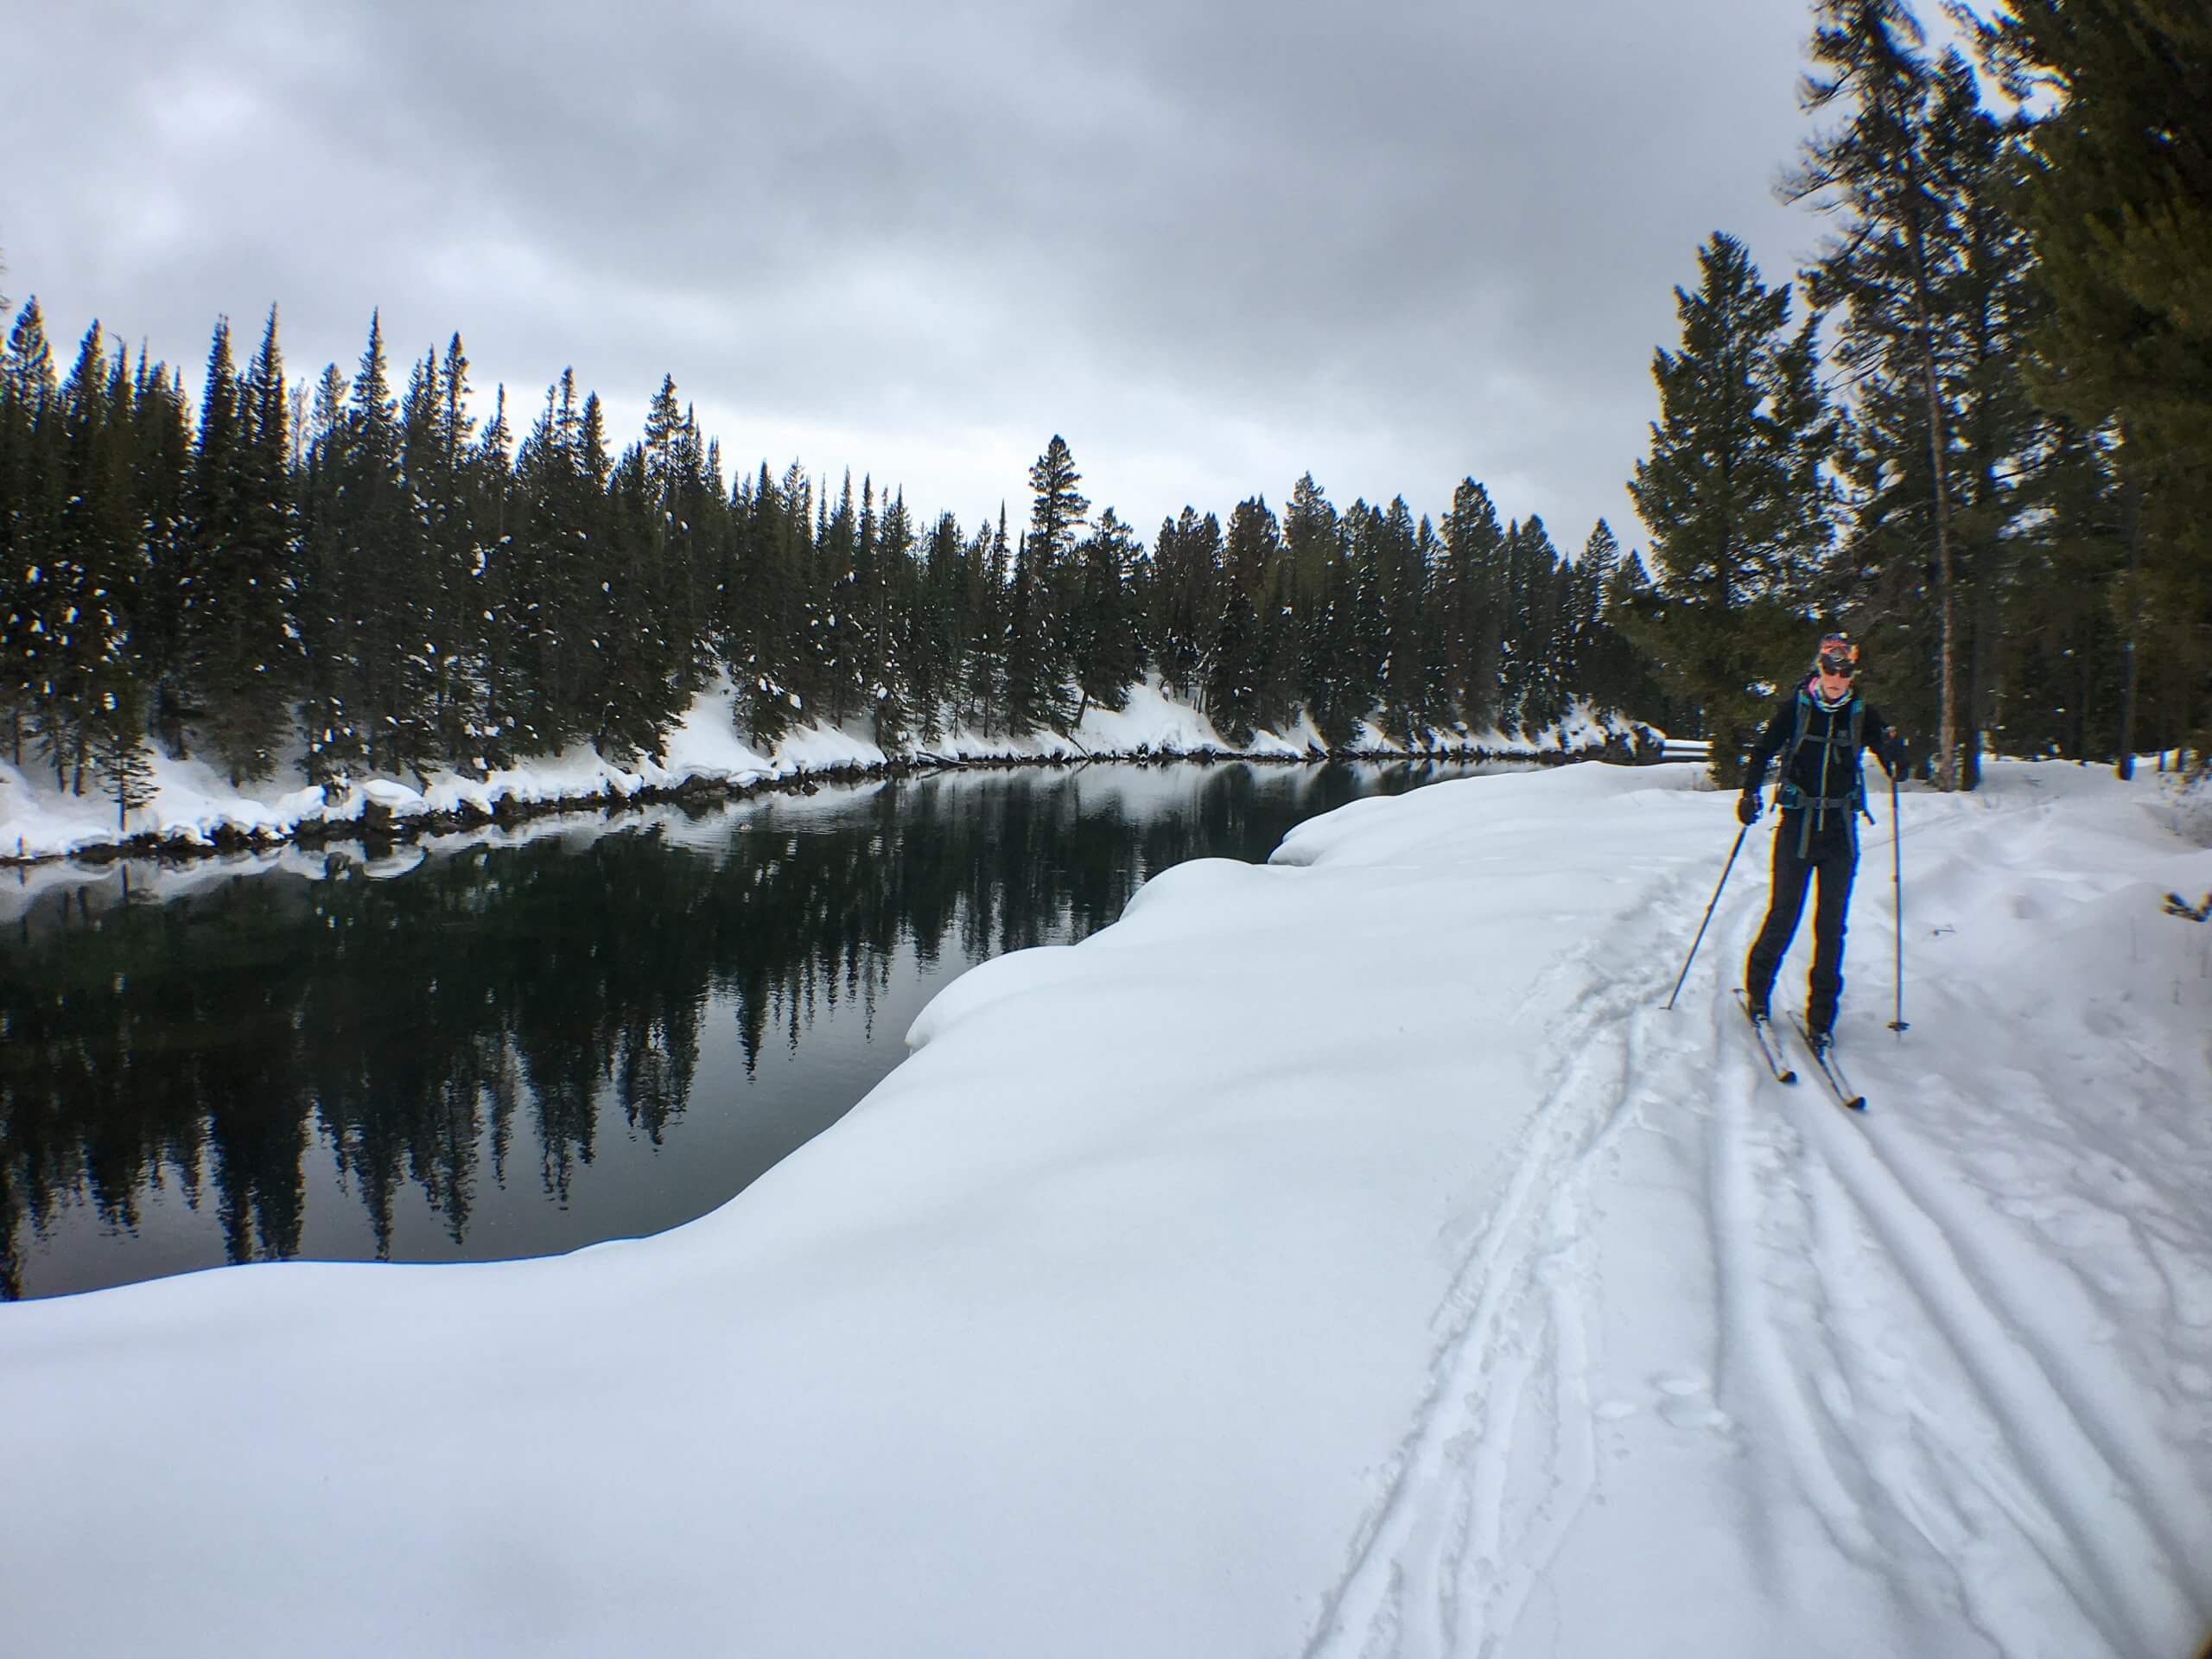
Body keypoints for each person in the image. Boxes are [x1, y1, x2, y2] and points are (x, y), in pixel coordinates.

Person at [1736, 632, 1904, 1050]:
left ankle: (1821, 1019)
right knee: (1784, 914)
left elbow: (1893, 756)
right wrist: (1749, 793)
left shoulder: (1863, 714)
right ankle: (1757, 993)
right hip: (1797, 825)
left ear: (1852, 674)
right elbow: (1761, 751)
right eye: (1830, 668)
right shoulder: (1796, 707)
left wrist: (1898, 753)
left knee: (1831, 928)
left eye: (1843, 671)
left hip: (1840, 833)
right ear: (1820, 667)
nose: (1836, 677)